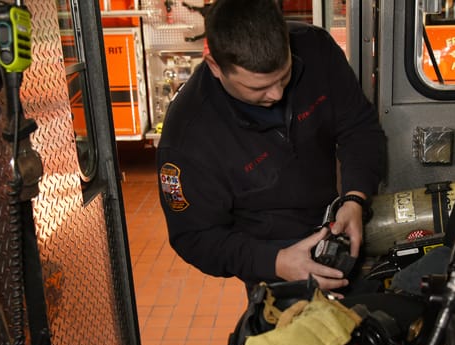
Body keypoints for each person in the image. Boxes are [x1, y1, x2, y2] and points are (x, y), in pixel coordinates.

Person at [156, 0, 386, 296]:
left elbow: (358, 127)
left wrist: (355, 199)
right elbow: (195, 237)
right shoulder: (188, 139)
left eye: (285, 76)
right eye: (258, 88)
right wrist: (275, 262)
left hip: (339, 223)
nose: (276, 94)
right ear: (215, 66)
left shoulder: (315, 49)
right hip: (272, 265)